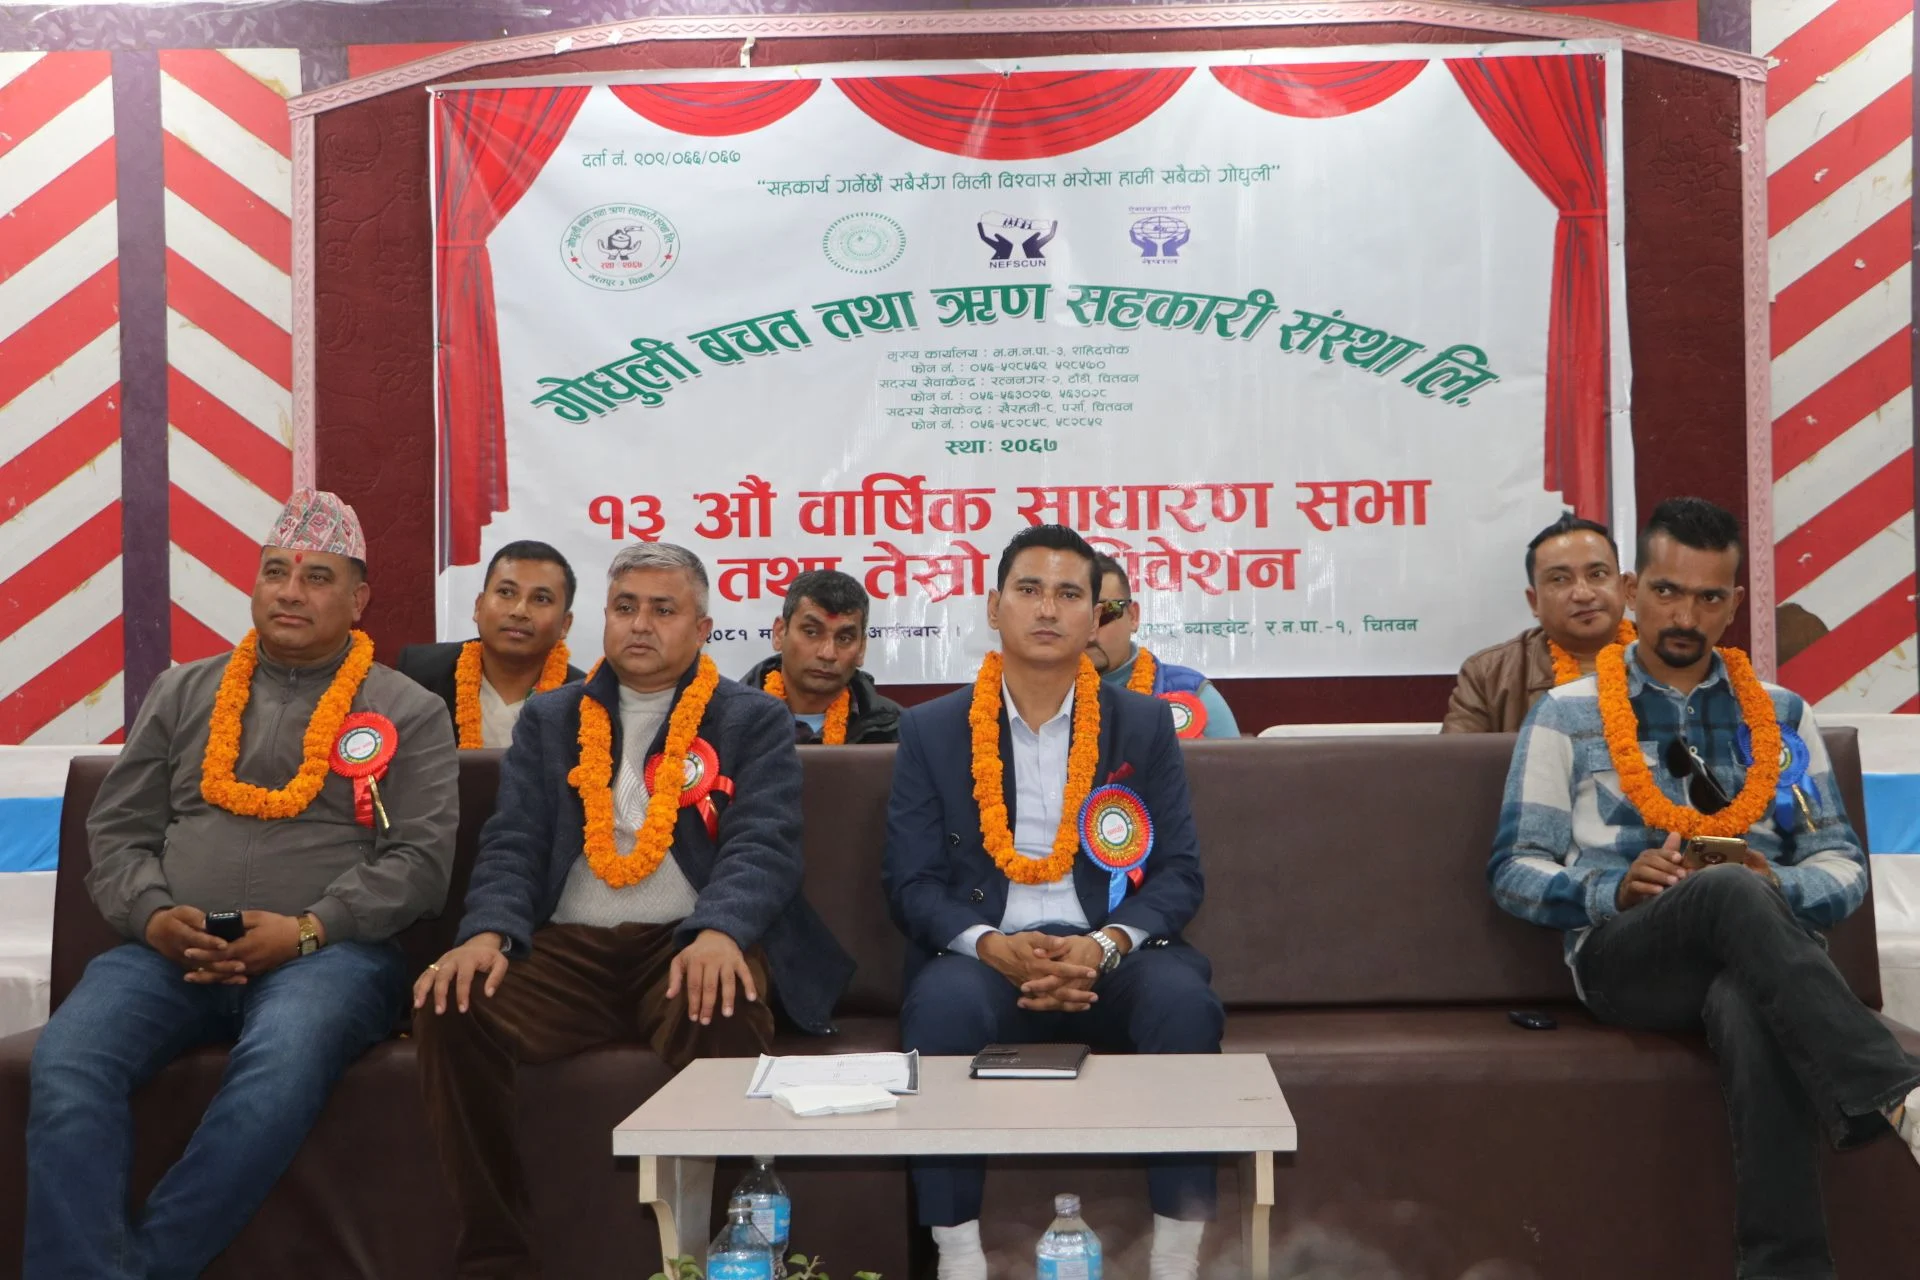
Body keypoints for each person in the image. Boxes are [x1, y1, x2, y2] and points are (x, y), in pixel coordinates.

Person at [25, 488, 460, 1280]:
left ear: (359, 600)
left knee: (279, 1068)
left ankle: (146, 1269)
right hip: (171, 949)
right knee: (67, 1062)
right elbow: (117, 831)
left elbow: (419, 864)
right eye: (275, 572)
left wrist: (308, 929)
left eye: (318, 577)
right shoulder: (184, 691)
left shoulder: (409, 710)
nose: (291, 591)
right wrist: (154, 917)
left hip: (329, 956)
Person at [1488, 496, 1920, 1278]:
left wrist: (1774, 881)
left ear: (1735, 603)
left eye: (1709, 597)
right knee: (1723, 893)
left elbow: (1842, 864)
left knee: (1746, 994)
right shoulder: (1566, 715)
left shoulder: (1781, 716)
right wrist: (1613, 889)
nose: (1686, 615)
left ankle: (1787, 1268)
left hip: (1760, 956)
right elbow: (1515, 868)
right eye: (1666, 591)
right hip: (1629, 957)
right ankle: (1895, 1091)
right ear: (1632, 590)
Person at [412, 541, 855, 1277]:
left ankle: (733, 1257)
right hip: (568, 948)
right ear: (604, 621)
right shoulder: (551, 719)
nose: (641, 625)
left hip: (685, 942)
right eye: (626, 607)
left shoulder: (751, 719)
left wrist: (721, 930)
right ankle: (495, 1256)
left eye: (662, 609)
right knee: (451, 1005)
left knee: (725, 999)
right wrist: (486, 933)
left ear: (703, 628)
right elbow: (513, 843)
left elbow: (764, 845)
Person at [883, 525, 1223, 1280]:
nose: (1047, 609)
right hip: (985, 956)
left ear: (1095, 617)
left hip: (1109, 951)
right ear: (993, 607)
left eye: (1069, 594)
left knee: (1184, 1003)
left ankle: (1178, 1256)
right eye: (1028, 590)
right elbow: (910, 884)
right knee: (939, 1008)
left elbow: (1179, 874)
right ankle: (958, 1256)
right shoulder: (932, 730)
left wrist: (1105, 945)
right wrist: (987, 944)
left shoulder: (1141, 725)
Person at [1442, 513, 1634, 734]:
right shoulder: (1488, 675)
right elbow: (1456, 755)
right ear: (1534, 602)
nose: (1583, 594)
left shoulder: (1660, 657)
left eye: (1597, 574)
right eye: (1560, 579)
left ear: (1625, 587)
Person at [398, 539, 583, 748]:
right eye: (506, 592)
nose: (519, 611)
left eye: (541, 599)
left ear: (565, 624)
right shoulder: (419, 675)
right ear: (478, 606)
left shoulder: (585, 701)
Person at [1084, 554, 1240, 739]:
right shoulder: (1052, 697)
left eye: (1105, 612)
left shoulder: (1193, 694)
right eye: (1077, 615)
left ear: (1133, 617)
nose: (1089, 629)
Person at [740, 568, 902, 744]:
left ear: (861, 649)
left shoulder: (897, 729)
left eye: (844, 638)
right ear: (779, 633)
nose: (828, 654)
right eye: (811, 632)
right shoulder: (727, 719)